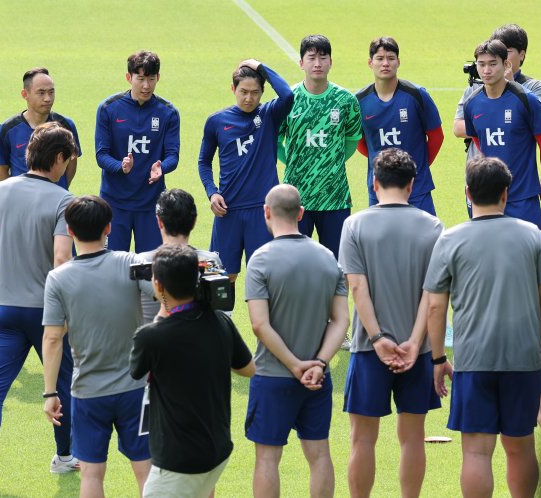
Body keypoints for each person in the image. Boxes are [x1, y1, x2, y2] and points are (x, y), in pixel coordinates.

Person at [425, 156, 541, 498]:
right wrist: (539, 343)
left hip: (472, 360)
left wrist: (438, 360)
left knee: (477, 450)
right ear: (506, 194)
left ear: (468, 193)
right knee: (520, 445)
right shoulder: (532, 236)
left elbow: (435, 307)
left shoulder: (450, 240)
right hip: (523, 358)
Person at [0, 123, 80, 491]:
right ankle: (64, 456)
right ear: (58, 159)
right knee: (62, 384)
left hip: (3, 308)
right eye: (68, 159)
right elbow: (62, 260)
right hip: (45, 312)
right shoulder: (63, 201)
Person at [338, 148, 443, 498]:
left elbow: (356, 287)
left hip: (370, 350)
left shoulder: (355, 224)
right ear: (412, 184)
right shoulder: (433, 226)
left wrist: (379, 337)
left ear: (374, 181)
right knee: (413, 437)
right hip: (420, 351)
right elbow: (432, 295)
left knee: (362, 438)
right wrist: (414, 341)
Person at [42, 196, 152, 497]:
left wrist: (51, 392)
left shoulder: (57, 279)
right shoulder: (131, 263)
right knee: (146, 470)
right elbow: (164, 293)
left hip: (88, 392)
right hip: (135, 388)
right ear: (109, 228)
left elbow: (52, 339)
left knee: (91, 475)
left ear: (71, 232)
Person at [245, 184, 349, 498]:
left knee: (267, 458)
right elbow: (341, 320)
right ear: (301, 214)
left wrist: (293, 365)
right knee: (319, 455)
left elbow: (259, 325)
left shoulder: (260, 261)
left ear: (266, 212)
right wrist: (318, 363)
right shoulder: (328, 258)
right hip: (317, 380)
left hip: (273, 376)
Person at [129, 244, 255, 497]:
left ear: (159, 285)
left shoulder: (152, 337)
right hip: (216, 450)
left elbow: (136, 370)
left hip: (177, 460)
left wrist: (162, 312)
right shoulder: (221, 322)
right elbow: (248, 368)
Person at [198, 59, 293, 281]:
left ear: (262, 92)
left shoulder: (269, 115)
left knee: (264, 276)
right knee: (219, 277)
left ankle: (263, 318)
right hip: (227, 210)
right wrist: (212, 192)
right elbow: (204, 161)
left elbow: (287, 95)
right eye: (243, 91)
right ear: (233, 89)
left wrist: (260, 66)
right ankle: (221, 317)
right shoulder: (216, 121)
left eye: (255, 92)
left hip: (262, 211)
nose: (249, 98)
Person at [278, 34, 362, 260]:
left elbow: (352, 139)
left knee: (336, 264)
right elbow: (276, 142)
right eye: (311, 57)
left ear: (331, 62)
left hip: (334, 196)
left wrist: (329, 162)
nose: (317, 63)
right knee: (295, 262)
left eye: (323, 57)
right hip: (296, 196)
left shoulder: (345, 100)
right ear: (301, 63)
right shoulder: (288, 99)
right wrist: (296, 162)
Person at [459, 39, 541, 228]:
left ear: (506, 64)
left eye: (493, 64)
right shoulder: (471, 104)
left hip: (523, 197)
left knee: (530, 254)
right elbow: (477, 139)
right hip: (488, 198)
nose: (486, 70)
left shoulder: (527, 100)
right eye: (481, 64)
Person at [95, 50, 180, 253]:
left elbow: (173, 156)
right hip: (115, 203)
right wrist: (120, 166)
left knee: (151, 267)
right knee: (112, 264)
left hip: (151, 204)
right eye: (140, 79)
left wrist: (162, 167)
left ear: (158, 78)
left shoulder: (168, 112)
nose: (146, 86)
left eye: (151, 79)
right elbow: (101, 154)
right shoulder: (108, 108)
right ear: (128, 77)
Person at [356, 37, 444, 214]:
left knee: (425, 240)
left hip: (416, 187)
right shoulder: (359, 101)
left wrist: (418, 167)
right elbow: (360, 142)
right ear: (370, 63)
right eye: (380, 59)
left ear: (398, 62)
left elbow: (436, 136)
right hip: (379, 187)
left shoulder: (417, 95)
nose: (385, 63)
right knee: (381, 241)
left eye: (391, 58)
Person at [453, 24, 541, 162]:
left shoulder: (534, 87)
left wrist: (512, 86)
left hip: (517, 169)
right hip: (479, 172)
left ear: (521, 55)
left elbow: (538, 119)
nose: (499, 53)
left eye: (506, 51)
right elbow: (458, 128)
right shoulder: (475, 88)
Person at [137, 188, 225, 324]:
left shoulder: (139, 263)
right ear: (194, 221)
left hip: (153, 342)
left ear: (159, 222)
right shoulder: (211, 261)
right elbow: (219, 311)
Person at [0, 67, 81, 188]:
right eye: (41, 92)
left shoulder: (66, 126)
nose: (48, 98)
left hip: (55, 200)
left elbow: (72, 161)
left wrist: (62, 187)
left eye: (51, 92)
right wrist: (14, 193)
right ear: (25, 94)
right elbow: (2, 167)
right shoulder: (8, 129)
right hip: (22, 201)